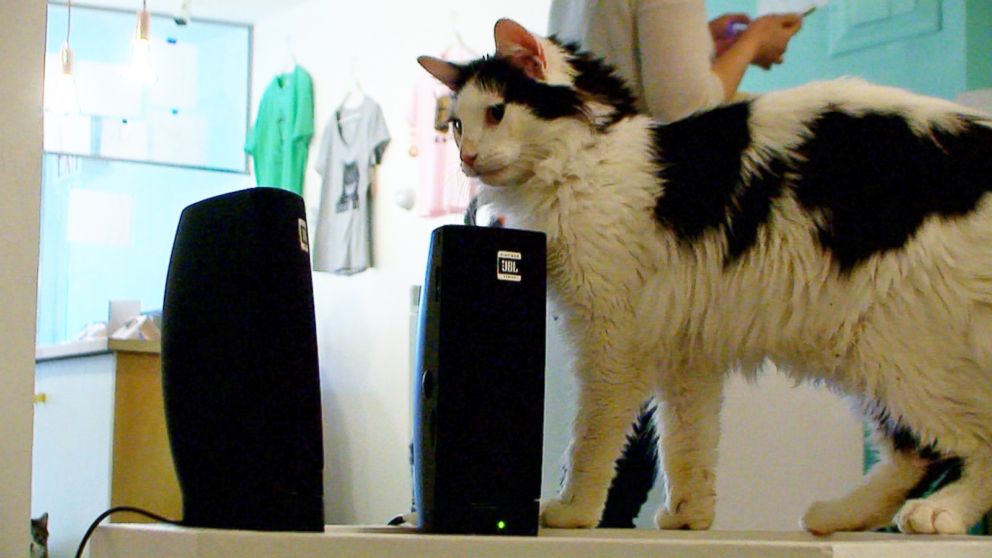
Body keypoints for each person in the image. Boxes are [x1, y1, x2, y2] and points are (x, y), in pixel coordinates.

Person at [548, 0, 804, 123]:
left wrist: (700, 43)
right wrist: (754, 41)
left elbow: (611, 50)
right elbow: (686, 109)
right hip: (642, 193)